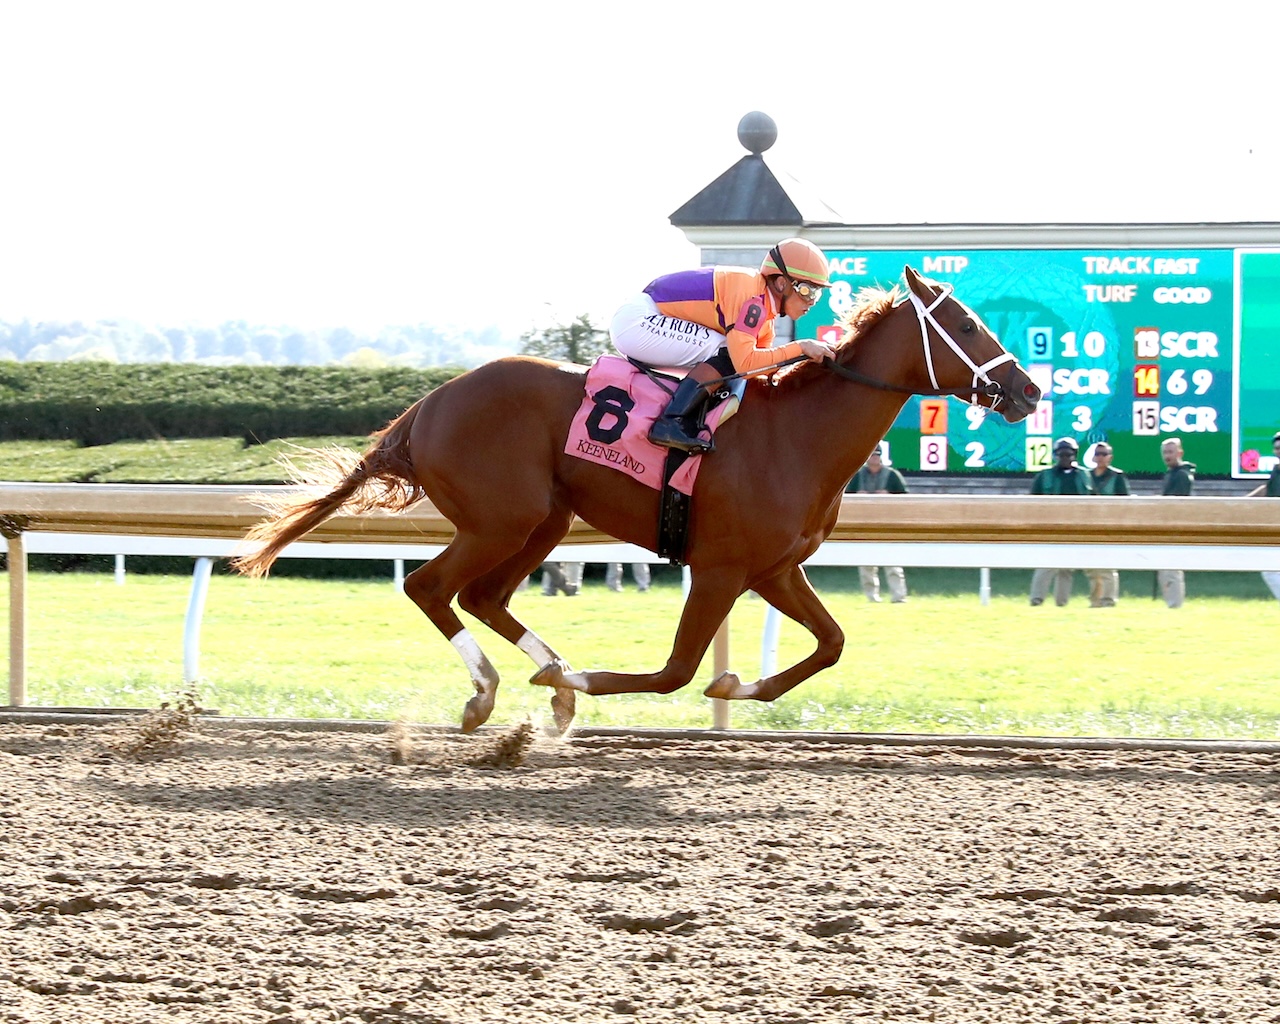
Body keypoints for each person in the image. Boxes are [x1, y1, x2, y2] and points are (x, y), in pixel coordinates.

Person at [610, 237, 836, 453]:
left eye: (817, 294)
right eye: (807, 290)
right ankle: (670, 422)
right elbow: (745, 364)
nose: (811, 302)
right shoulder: (752, 298)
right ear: (781, 283)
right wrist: (801, 347)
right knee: (726, 351)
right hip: (638, 321)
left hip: (645, 321)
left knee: (729, 355)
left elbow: (760, 370)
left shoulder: (766, 317)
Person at [1028, 436, 1094, 606]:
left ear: (1075, 455)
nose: (1065, 458)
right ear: (1055, 455)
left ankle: (1062, 602)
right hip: (1051, 525)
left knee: (1067, 567)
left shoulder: (1085, 475)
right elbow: (1033, 502)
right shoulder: (1044, 476)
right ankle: (1037, 599)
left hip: (1076, 526)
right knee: (1046, 564)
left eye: (1068, 454)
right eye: (1061, 454)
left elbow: (1093, 500)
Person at [845, 444, 908, 603]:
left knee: (892, 561)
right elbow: (845, 497)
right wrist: (857, 496)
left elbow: (906, 499)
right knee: (866, 563)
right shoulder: (857, 476)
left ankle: (898, 596)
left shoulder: (892, 475)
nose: (874, 458)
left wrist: (889, 495)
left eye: (877, 455)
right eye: (872, 455)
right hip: (864, 524)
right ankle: (871, 596)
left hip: (888, 524)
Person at [1085, 441, 1130, 608]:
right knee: (1091, 567)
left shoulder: (1117, 476)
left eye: (1104, 454)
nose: (1100, 457)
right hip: (1090, 525)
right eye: (1097, 454)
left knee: (1107, 565)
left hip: (1109, 525)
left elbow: (1124, 502)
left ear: (1110, 457)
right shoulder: (1086, 475)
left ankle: (1108, 600)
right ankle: (1095, 600)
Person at [1157, 437, 1195, 608]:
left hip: (1175, 526)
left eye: (1171, 452)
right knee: (1166, 567)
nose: (1167, 456)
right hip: (1168, 524)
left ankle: (1175, 604)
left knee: (1171, 566)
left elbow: (1176, 502)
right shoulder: (1172, 473)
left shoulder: (1181, 475)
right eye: (1165, 452)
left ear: (1180, 453)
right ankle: (1171, 602)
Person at [1247, 432, 1280, 600]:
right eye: (1277, 448)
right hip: (1275, 527)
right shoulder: (1276, 470)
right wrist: (1242, 502)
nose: (1278, 451)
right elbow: (1267, 489)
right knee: (1269, 569)